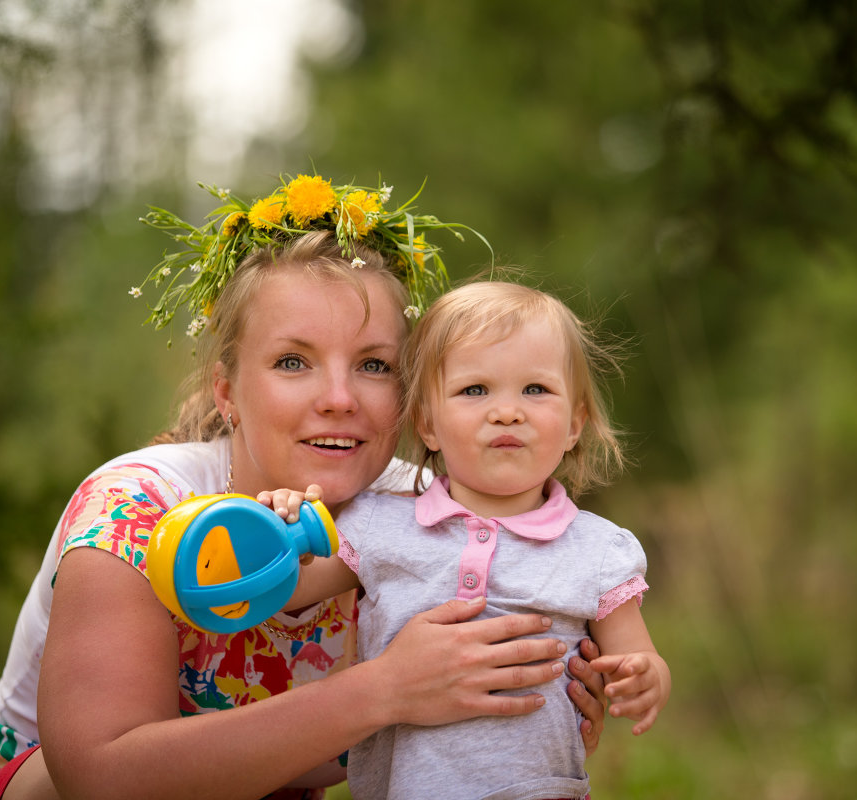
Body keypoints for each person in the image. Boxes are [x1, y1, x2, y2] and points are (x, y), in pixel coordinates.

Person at [0, 175, 609, 800]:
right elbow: (100, 776)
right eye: (292, 362)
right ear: (227, 389)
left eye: (373, 365)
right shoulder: (140, 506)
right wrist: (385, 690)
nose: (339, 397)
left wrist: (537, 706)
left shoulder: (429, 517)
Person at [275, 281, 671, 799]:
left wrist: (644, 677)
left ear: (574, 424)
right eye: (475, 390)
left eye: (536, 390)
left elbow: (638, 656)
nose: (507, 411)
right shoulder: (377, 525)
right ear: (428, 423)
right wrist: (281, 527)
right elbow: (286, 588)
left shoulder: (596, 549)